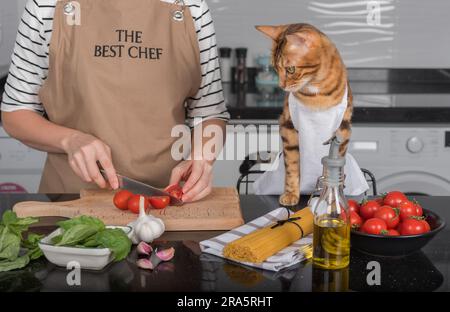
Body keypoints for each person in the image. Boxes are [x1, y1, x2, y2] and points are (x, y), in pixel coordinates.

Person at [0, 0, 229, 202]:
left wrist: (202, 159)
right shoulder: (46, 6)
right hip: (71, 203)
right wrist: (71, 140)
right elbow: (16, 113)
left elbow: (209, 114)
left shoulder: (191, 7)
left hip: (165, 201)